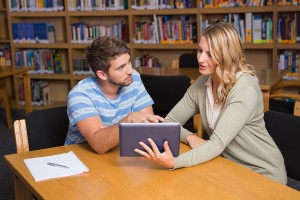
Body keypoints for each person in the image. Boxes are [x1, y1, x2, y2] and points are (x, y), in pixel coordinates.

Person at [134, 22, 287, 184]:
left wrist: (174, 162)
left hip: (262, 173)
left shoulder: (244, 89)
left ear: (226, 55)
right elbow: (169, 122)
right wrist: (190, 137)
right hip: (228, 166)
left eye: (210, 54)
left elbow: (217, 144)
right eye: (200, 51)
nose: (200, 58)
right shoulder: (202, 84)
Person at [65, 36, 163, 154]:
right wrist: (129, 120)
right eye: (121, 67)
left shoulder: (133, 78)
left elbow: (147, 128)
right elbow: (99, 145)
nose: (130, 70)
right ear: (102, 75)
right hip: (82, 158)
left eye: (129, 62)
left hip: (119, 151)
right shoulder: (80, 95)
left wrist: (109, 133)